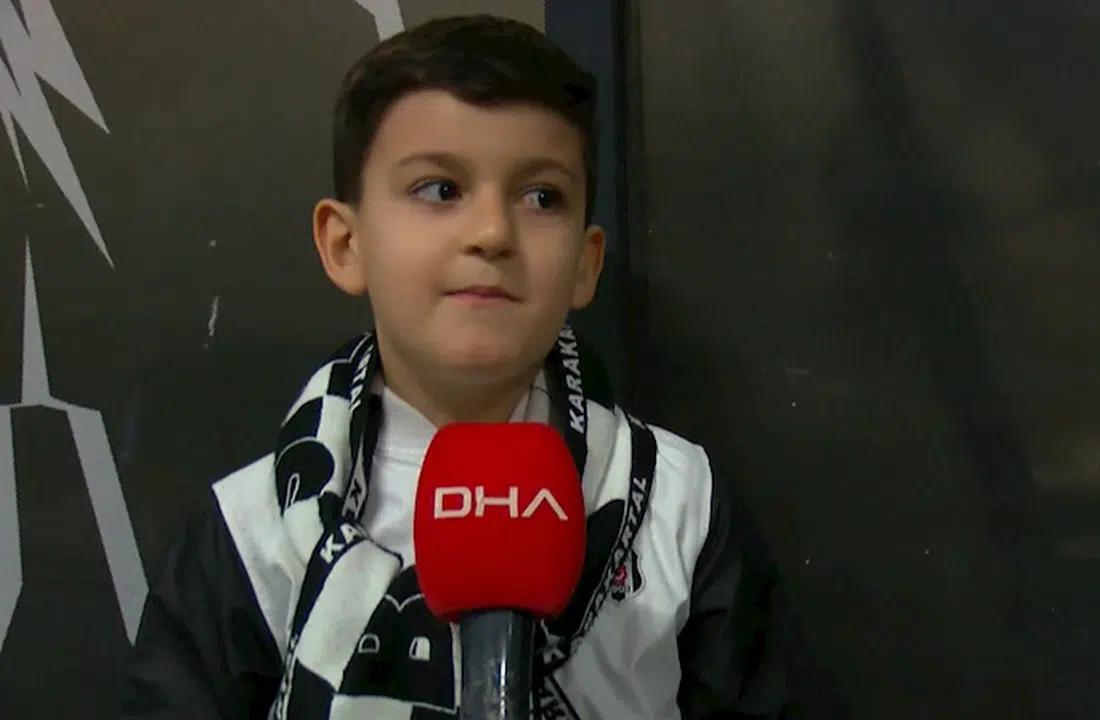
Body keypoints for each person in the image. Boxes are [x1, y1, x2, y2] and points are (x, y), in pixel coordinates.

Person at [121, 15, 799, 719]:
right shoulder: (250, 533)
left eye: (541, 197)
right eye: (439, 189)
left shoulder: (682, 507)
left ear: (586, 262)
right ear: (345, 244)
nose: (492, 233)